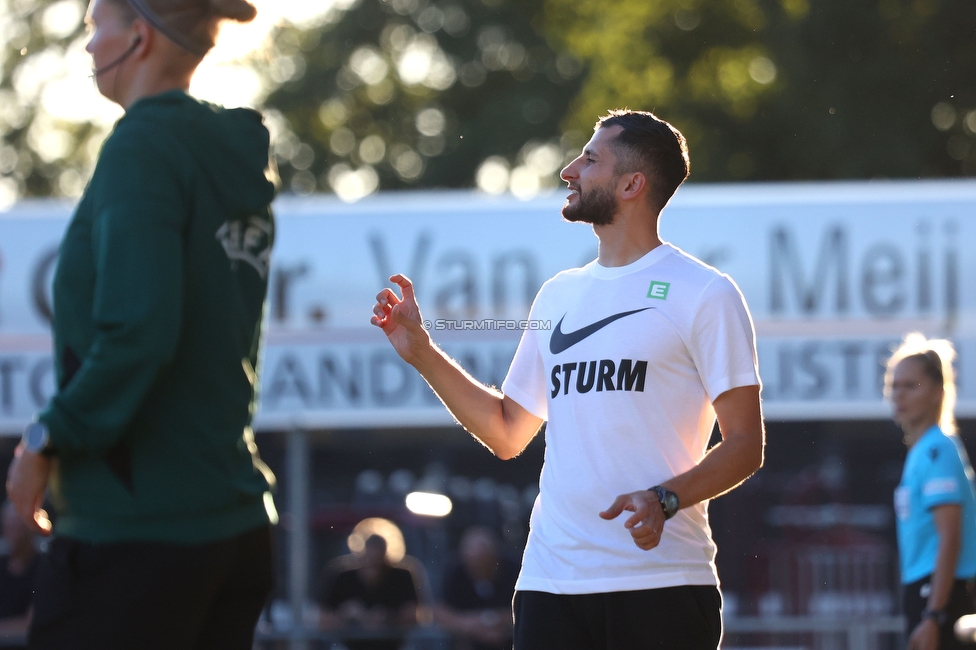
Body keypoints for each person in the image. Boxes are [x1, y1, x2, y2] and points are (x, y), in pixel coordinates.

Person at [371, 109, 764, 649]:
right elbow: (508, 432)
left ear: (631, 184)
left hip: (663, 582)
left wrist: (665, 499)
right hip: (550, 582)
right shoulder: (558, 294)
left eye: (591, 159)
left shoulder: (705, 293)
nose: (569, 170)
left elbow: (745, 446)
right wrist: (422, 352)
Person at [4, 0, 278, 647]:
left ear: (139, 37)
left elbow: (139, 331)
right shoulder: (228, 151)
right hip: (231, 522)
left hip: (139, 532)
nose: (89, 45)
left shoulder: (143, 144)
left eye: (96, 26)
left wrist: (45, 440)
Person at [885, 333, 976, 650]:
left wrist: (934, 615)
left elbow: (949, 536)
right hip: (926, 593)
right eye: (894, 386)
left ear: (938, 391)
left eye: (911, 386)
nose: (899, 394)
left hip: (942, 597)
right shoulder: (923, 451)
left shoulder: (938, 450)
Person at [318, 534, 419, 650]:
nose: (373, 560)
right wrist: (347, 615)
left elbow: (413, 615)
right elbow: (323, 619)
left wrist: (388, 617)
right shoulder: (343, 577)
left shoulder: (401, 577)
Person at [436, 526, 518, 650]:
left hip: (508, 640)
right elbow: (440, 612)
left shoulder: (513, 569)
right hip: (468, 641)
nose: (479, 569)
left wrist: (493, 620)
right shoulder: (455, 571)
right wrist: (471, 627)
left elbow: (525, 609)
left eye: (484, 563)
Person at [0, 501, 39, 649]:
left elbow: (31, 622)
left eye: (18, 528)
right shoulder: (2, 565)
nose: (13, 535)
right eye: (9, 528)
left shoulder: (42, 566)